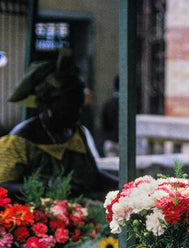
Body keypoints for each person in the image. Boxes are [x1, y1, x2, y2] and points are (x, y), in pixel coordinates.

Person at [0, 47, 117, 201]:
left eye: (79, 107)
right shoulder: (20, 139)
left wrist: (126, 185)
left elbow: (93, 177)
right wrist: (47, 184)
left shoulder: (76, 133)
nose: (77, 113)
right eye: (69, 107)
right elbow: (3, 187)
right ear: (48, 104)